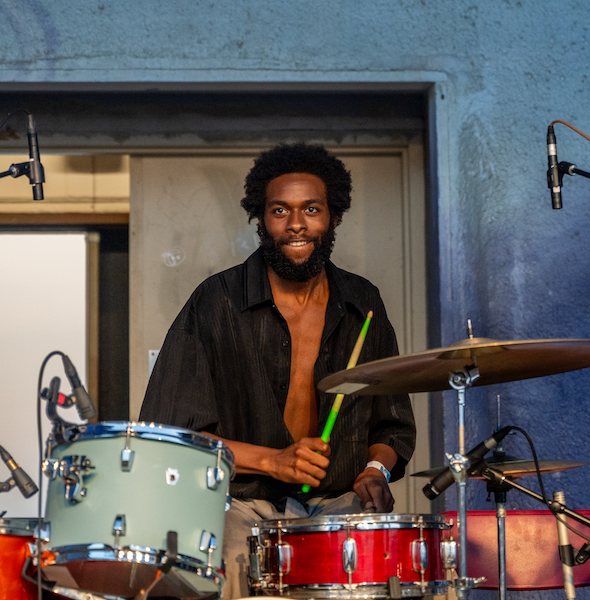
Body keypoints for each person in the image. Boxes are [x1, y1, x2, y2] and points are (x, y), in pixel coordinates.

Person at [139, 142, 416, 598]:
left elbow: (392, 423)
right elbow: (174, 436)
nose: (296, 224)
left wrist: (375, 471)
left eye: (312, 209)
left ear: (333, 217)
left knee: (377, 570)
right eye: (280, 210)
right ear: (261, 219)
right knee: (224, 560)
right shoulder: (216, 300)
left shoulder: (363, 302)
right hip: (242, 504)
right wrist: (273, 461)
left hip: (341, 501)